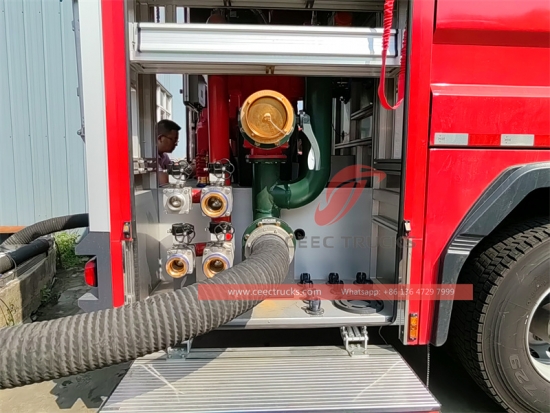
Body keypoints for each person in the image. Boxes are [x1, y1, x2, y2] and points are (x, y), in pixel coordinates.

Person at [156, 119, 181, 186]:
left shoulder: (164, 156)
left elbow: (174, 170)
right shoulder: (151, 156)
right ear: (161, 138)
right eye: (174, 140)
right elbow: (163, 181)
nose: (176, 144)